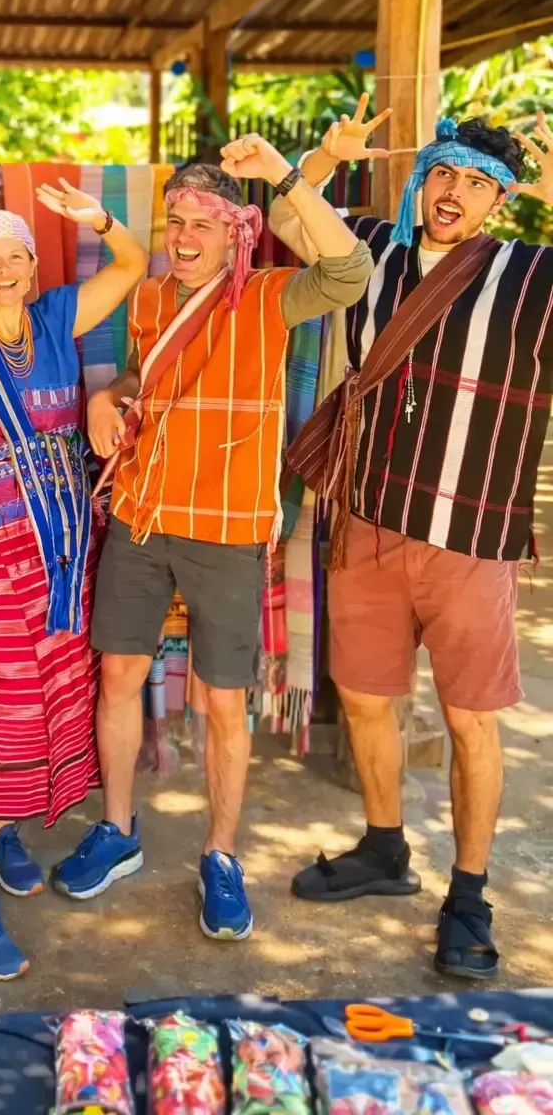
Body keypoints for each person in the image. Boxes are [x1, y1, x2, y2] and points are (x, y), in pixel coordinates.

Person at [52, 143, 374, 942]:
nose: (186, 236)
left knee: (222, 700)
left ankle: (221, 856)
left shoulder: (268, 295)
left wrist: (289, 176)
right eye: (176, 221)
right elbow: (138, 376)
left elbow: (351, 273)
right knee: (120, 673)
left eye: (204, 223)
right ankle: (119, 831)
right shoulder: (152, 298)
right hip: (141, 517)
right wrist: (109, 399)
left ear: (238, 232)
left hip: (228, 532)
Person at [275, 106, 553, 980]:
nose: (454, 195)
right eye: (446, 174)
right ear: (422, 177)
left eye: (478, 184)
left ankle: (470, 893)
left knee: (472, 721)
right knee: (363, 698)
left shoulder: (533, 277)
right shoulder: (368, 248)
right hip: (365, 521)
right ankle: (385, 847)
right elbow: (286, 216)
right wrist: (325, 156)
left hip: (471, 536)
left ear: (499, 203)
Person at [0, 183, 148, 979]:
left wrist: (102, 222)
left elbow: (134, 264)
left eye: (17, 256)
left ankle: (5, 830)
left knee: (53, 696)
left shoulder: (56, 320)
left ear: (33, 267)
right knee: (8, 709)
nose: (5, 269)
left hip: (65, 550)